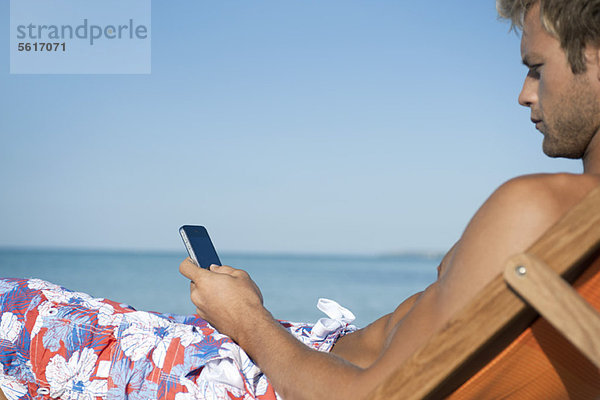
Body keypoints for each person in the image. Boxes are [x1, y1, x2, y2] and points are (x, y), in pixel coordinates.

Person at [2, 0, 600, 398]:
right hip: (302, 357)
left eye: (536, 66)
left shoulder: (539, 206)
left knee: (18, 310)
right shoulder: (572, 224)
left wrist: (247, 321)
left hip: (271, 381)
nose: (525, 94)